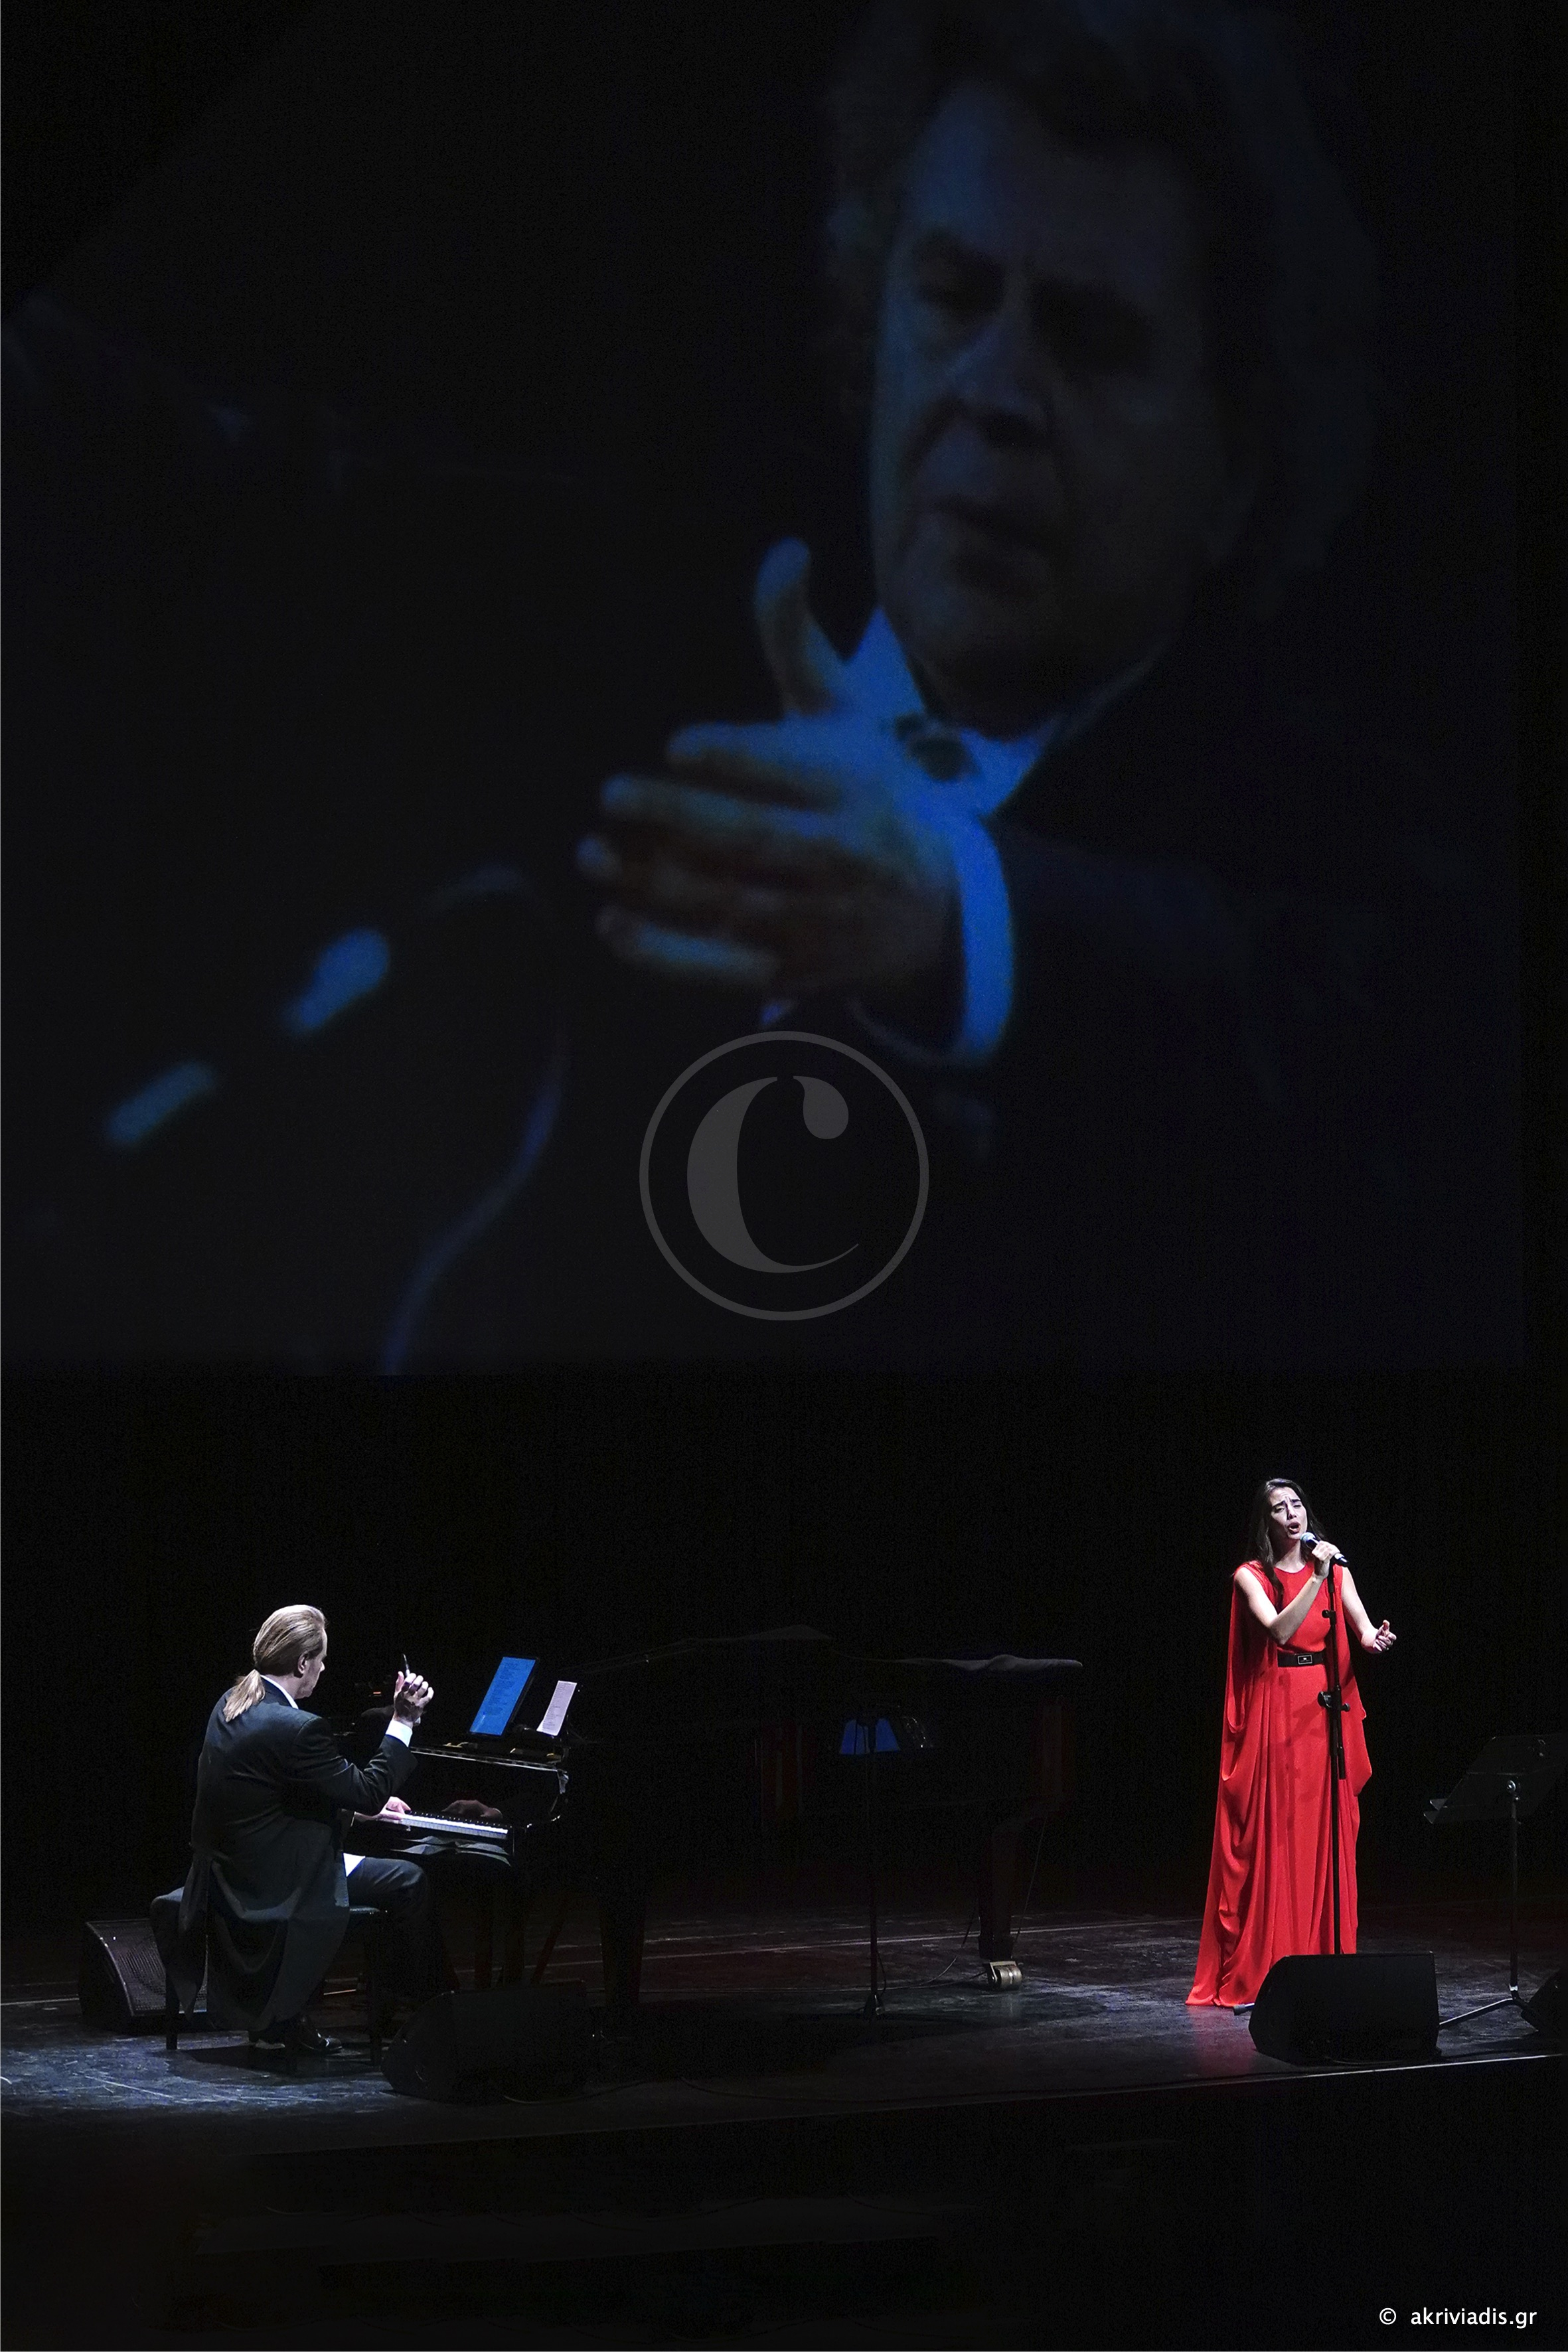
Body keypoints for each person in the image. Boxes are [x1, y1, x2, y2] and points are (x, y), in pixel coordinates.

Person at [173, 1604, 443, 2056]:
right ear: (303, 1663)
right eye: (321, 1659)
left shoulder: (232, 1703)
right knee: (408, 1880)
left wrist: (358, 1812)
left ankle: (305, 2015)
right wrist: (403, 1720)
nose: (323, 1668)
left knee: (391, 1873)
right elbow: (369, 1790)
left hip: (231, 1870)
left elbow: (275, 1796)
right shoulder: (298, 1727)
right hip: (275, 1880)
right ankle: (435, 2016)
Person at [1188, 1478, 1396, 2009]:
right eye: (1280, 1508)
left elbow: (1360, 1625)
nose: (1292, 1513)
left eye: (1297, 1503)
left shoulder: (1337, 1570)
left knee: (1324, 1831)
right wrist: (1316, 1578)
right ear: (1267, 1522)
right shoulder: (1250, 1576)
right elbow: (1279, 1630)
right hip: (1278, 1710)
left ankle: (1327, 1961)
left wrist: (1373, 1639)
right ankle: (1275, 1965)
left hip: (1324, 1709)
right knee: (1281, 1836)